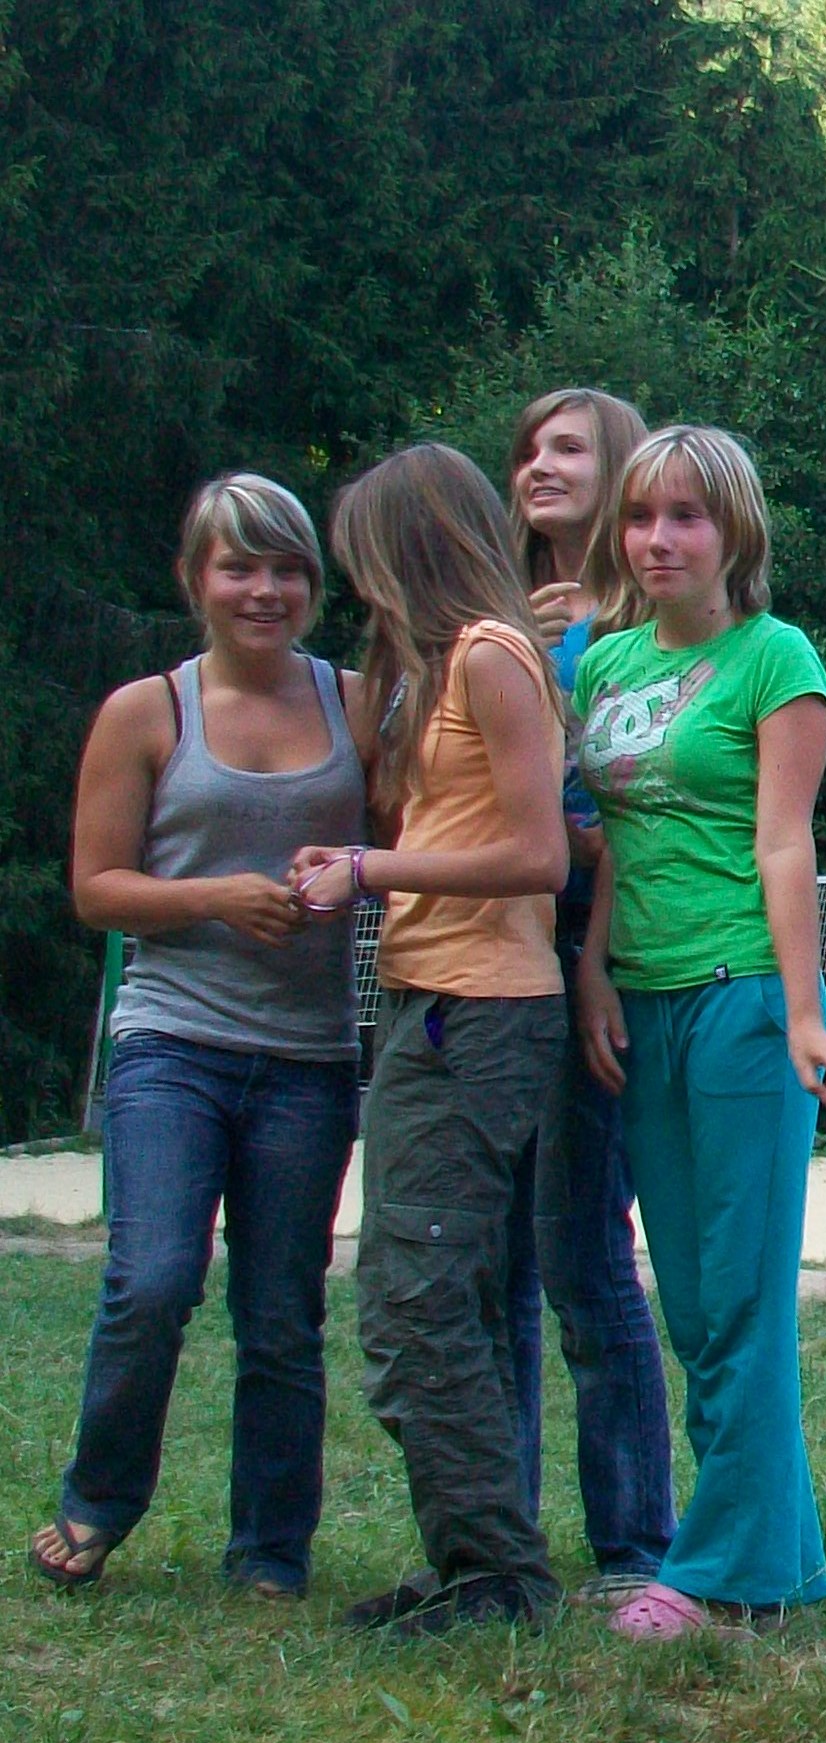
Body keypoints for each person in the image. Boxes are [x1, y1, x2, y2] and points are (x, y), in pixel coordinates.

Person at [30, 476, 373, 1600]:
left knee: (281, 1310)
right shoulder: (147, 712)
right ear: (195, 580)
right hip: (173, 1042)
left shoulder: (357, 705)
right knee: (154, 1279)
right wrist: (218, 897)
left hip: (309, 1056)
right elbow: (97, 888)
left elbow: (420, 844)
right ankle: (99, 1499)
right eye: (240, 567)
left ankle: (270, 1548)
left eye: (287, 569)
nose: (265, 590)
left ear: (314, 586)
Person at [568, 423, 826, 1641]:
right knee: (690, 1300)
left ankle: (717, 1572)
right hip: (640, 999)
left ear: (733, 531)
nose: (659, 539)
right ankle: (775, 1558)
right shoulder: (602, 665)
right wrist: (592, 972)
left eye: (686, 516)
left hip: (745, 997)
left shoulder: (775, 659)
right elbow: (613, 841)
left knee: (740, 1294)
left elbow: (784, 841)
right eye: (642, 516)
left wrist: (801, 1013)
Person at [291, 443, 574, 1637]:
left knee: (413, 1301)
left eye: (367, 560)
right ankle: (477, 1556)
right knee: (448, 1296)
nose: (361, 585)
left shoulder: (492, 657)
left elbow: (539, 856)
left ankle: (497, 1578)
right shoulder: (441, 666)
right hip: (434, 1001)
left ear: (411, 548)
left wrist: (371, 870)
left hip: (479, 1012)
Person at [503, 387, 677, 1604]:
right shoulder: (495, 616)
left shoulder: (641, 628)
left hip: (593, 941)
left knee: (578, 1241)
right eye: (526, 449)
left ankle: (630, 1541)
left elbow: (633, 810)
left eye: (566, 447)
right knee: (497, 1254)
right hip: (490, 939)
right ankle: (497, 1531)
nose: (537, 466)